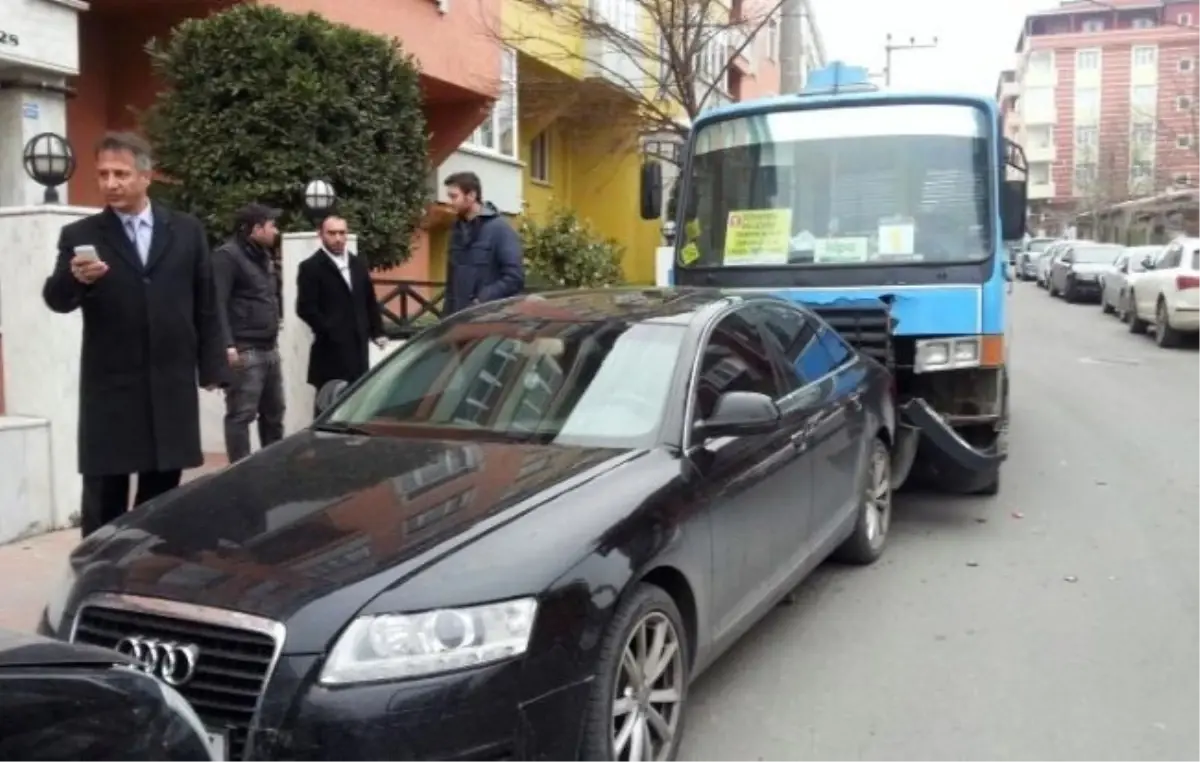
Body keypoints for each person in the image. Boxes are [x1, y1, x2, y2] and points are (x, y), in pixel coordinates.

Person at [42, 131, 225, 538]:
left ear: (146, 176)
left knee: (160, 496)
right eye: (103, 174)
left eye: (120, 173)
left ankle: (150, 574)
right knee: (105, 495)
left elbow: (206, 301)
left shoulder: (186, 230)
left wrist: (212, 366)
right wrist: (76, 279)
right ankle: (97, 574)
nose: (110, 183)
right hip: (112, 388)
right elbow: (56, 299)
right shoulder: (81, 236)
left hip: (169, 382)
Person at [211, 203, 286, 463]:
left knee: (274, 414)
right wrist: (227, 345)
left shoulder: (264, 256)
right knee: (241, 416)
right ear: (256, 229)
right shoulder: (227, 257)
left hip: (270, 349)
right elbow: (217, 303)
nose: (276, 230)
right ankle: (239, 473)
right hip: (245, 350)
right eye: (271, 225)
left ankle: (273, 467)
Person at [296, 215, 386, 404]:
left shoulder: (358, 264)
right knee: (328, 408)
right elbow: (305, 308)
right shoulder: (311, 267)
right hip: (329, 353)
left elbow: (369, 299)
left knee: (357, 405)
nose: (337, 238)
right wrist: (330, 330)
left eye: (342, 233)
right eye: (332, 233)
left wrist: (377, 331)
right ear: (320, 235)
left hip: (359, 351)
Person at [442, 171, 524, 315]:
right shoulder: (456, 231)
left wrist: (481, 300)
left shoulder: (500, 229)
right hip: (459, 320)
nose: (450, 202)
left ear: (471, 196)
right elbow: (452, 283)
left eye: (454, 197)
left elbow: (514, 278)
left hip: (490, 319)